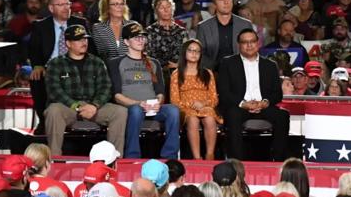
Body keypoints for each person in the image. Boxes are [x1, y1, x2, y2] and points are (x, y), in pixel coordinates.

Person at [43, 25, 128, 156]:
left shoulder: (97, 62)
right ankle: (55, 158)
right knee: (53, 110)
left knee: (120, 112)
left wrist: (94, 105)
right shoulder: (56, 63)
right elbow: (54, 91)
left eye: (85, 39)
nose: (84, 42)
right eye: (79, 40)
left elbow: (105, 88)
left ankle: (115, 158)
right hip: (68, 108)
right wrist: (76, 106)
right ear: (68, 43)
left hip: (93, 107)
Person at [109, 21, 180, 160]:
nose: (141, 40)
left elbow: (160, 91)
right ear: (126, 42)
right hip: (131, 107)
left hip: (153, 107)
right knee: (135, 110)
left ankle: (169, 156)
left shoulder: (153, 63)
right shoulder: (116, 62)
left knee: (173, 110)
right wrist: (139, 103)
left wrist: (158, 102)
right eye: (136, 37)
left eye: (142, 37)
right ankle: (132, 156)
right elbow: (117, 95)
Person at [216, 28, 290, 161]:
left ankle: (278, 160)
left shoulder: (270, 65)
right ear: (239, 45)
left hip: (263, 106)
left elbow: (277, 94)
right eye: (245, 42)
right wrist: (243, 103)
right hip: (239, 106)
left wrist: (265, 102)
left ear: (258, 43)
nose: (249, 45)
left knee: (282, 115)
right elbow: (224, 91)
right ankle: (236, 162)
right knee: (232, 115)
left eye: (252, 41)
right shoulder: (228, 63)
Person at [29, 0, 88, 118]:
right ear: (51, 8)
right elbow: (34, 50)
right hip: (50, 68)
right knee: (36, 77)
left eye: (67, 4)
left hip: (76, 66)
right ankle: (44, 119)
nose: (66, 8)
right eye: (60, 5)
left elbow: (90, 49)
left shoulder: (80, 23)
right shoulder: (40, 26)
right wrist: (38, 65)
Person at [170, 39, 221, 161]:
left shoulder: (207, 73)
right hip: (186, 108)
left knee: (209, 118)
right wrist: (192, 104)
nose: (194, 54)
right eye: (191, 51)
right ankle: (197, 158)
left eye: (197, 51)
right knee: (192, 119)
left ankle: (210, 155)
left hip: (205, 106)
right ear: (184, 53)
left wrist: (203, 104)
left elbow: (214, 98)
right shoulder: (177, 74)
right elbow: (174, 100)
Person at [196, 0, 253, 71]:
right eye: (221, 0)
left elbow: (251, 50)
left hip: (240, 71)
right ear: (214, 4)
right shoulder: (204, 27)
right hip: (213, 73)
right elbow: (200, 53)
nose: (226, 2)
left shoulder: (245, 25)